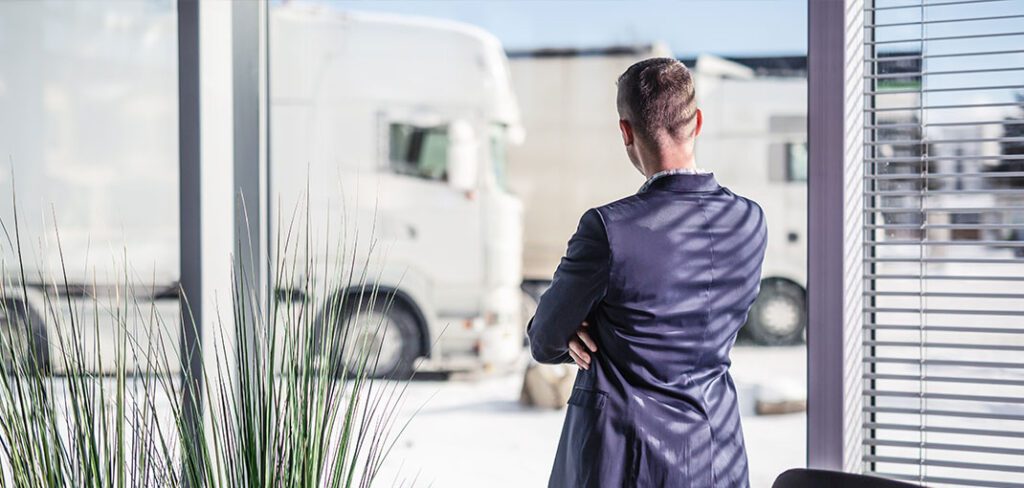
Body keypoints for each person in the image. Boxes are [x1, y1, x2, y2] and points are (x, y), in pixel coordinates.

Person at [526, 57, 767, 488]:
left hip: (622, 461)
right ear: (697, 122)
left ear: (626, 131)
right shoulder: (749, 221)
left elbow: (545, 339)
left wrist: (582, 327)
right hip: (716, 457)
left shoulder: (608, 229)